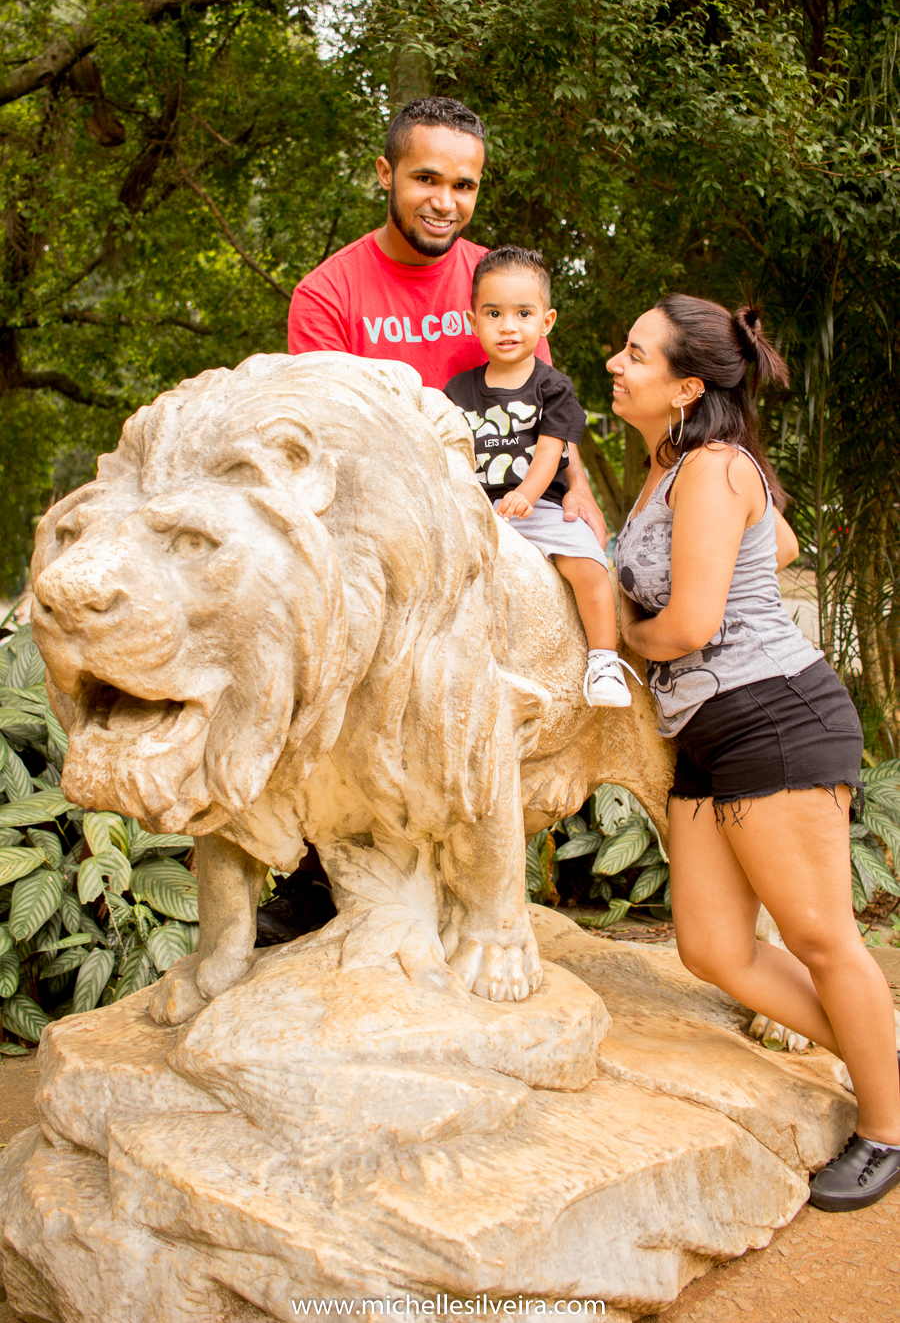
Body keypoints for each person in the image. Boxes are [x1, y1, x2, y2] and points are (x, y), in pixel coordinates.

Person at [609, 292, 900, 1213]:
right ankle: (888, 1063)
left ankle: (887, 1126)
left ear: (686, 388)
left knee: (818, 935)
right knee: (713, 948)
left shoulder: (714, 467)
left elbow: (689, 625)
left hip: (773, 713)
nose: (615, 363)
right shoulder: (669, 470)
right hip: (706, 729)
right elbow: (782, 541)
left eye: (636, 353)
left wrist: (615, 631)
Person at [287, 95, 606, 545]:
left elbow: (547, 402)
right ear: (385, 173)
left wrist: (579, 488)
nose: (444, 202)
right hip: (385, 523)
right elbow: (329, 440)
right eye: (426, 179)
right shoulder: (324, 296)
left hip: (509, 517)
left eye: (463, 186)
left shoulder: (503, 283)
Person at [444, 247, 636, 707]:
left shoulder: (553, 386)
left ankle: (604, 661)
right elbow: (449, 453)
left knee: (590, 564)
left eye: (523, 314)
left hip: (539, 506)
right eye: (494, 314)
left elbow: (552, 452)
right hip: (477, 509)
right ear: (473, 321)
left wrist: (527, 495)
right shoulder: (457, 389)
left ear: (546, 322)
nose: (508, 326)